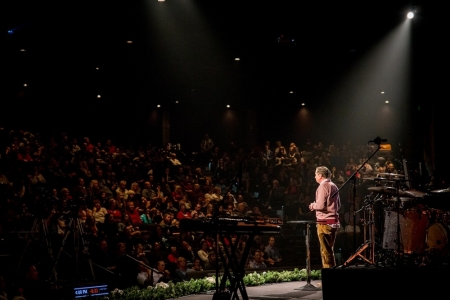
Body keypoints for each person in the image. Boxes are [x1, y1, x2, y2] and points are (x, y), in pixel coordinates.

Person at [309, 166, 341, 268]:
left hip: (324, 223)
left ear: (320, 175)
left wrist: (313, 206)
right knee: (329, 250)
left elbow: (321, 206)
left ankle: (328, 278)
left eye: (315, 174)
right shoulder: (334, 185)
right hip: (333, 221)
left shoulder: (323, 186)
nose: (314, 177)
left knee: (325, 252)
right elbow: (339, 205)